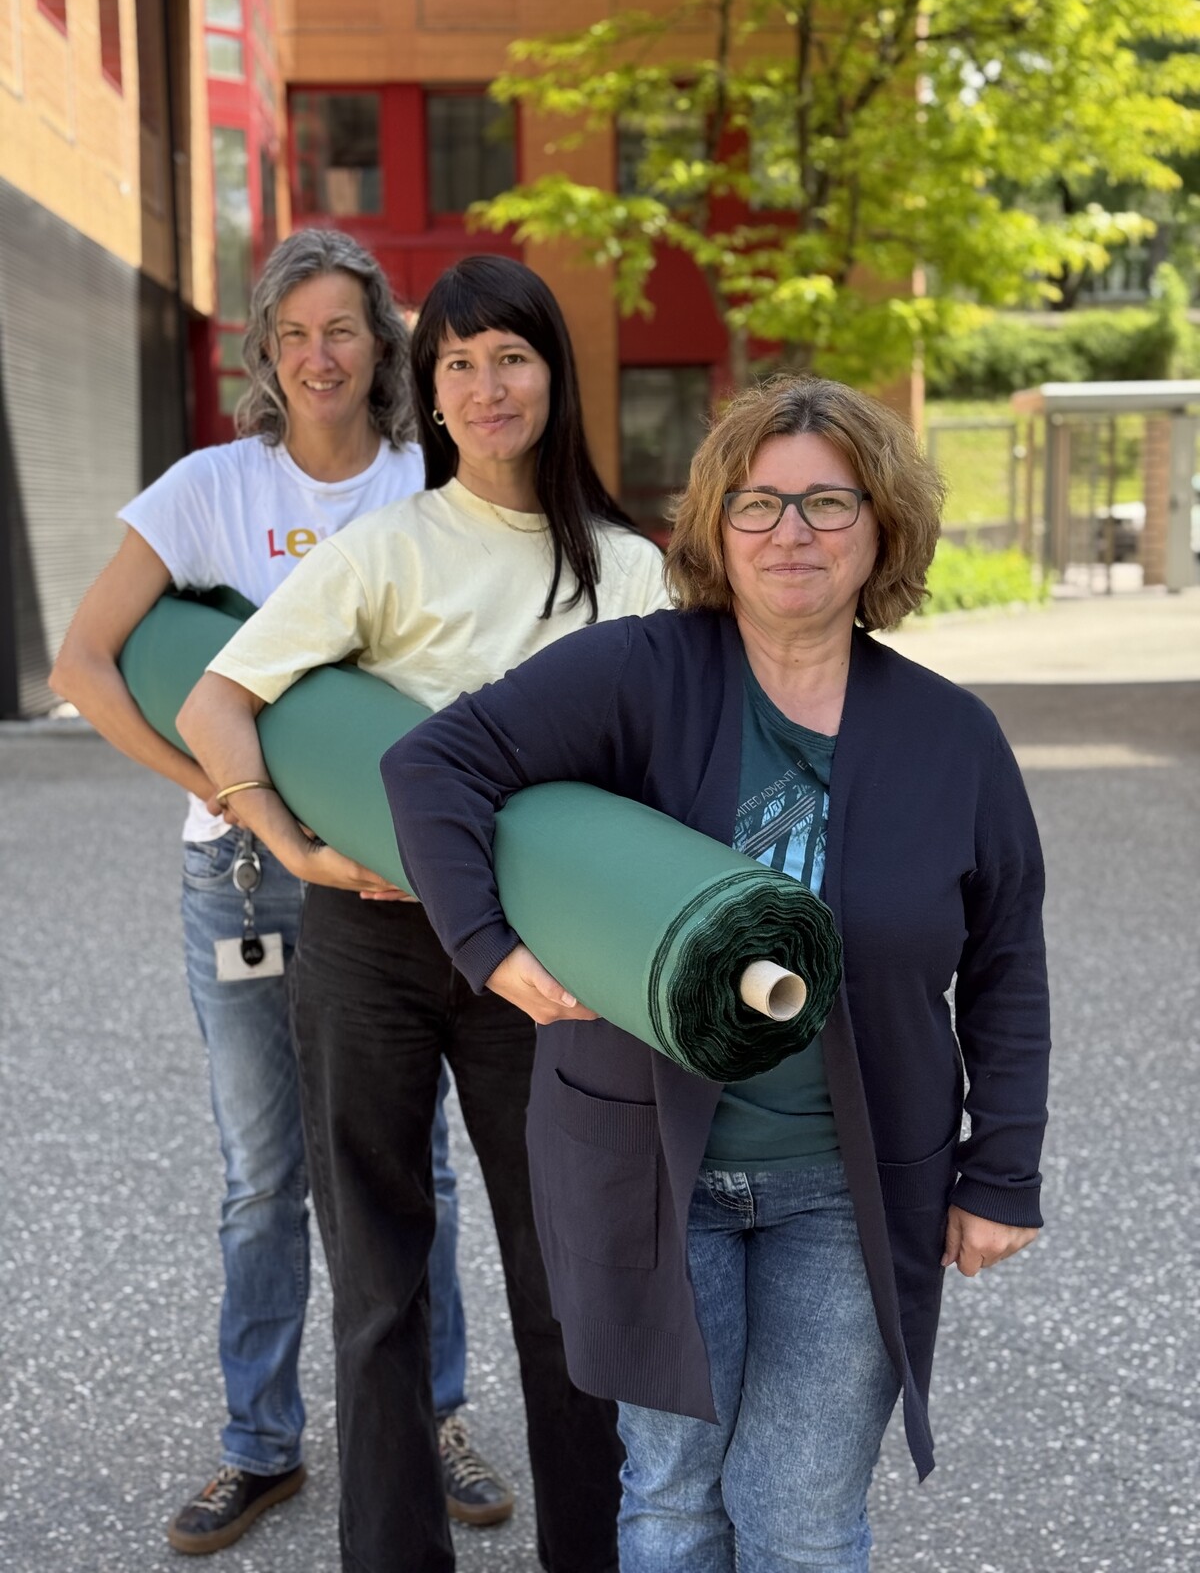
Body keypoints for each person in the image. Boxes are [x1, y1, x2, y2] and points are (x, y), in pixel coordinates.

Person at [382, 374, 1052, 1573]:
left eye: (828, 504)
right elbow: (437, 764)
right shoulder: (638, 673)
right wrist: (491, 951)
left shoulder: (954, 739)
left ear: (883, 526)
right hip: (648, 1169)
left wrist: (1000, 1169)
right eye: (758, 504)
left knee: (799, 1513)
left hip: (850, 1187)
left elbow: (1008, 959)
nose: (791, 533)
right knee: (678, 1497)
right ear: (713, 527)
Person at [175, 253, 670, 1573]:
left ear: (555, 376)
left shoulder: (627, 570)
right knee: (379, 1290)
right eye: (457, 361)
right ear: (431, 392)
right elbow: (216, 700)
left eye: (510, 355)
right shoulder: (383, 547)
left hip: (547, 961)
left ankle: (595, 1552)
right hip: (374, 952)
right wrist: (294, 847)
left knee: (569, 1286)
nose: (484, 382)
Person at [49, 229, 495, 1554]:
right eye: (292, 332)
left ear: (384, 348)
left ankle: (436, 1417)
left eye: (343, 330)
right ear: (264, 349)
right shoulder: (206, 491)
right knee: (263, 1175)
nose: (318, 356)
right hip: (243, 877)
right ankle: (261, 1444)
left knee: (415, 1161)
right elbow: (83, 663)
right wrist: (231, 792)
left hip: (389, 880)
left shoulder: (435, 485)